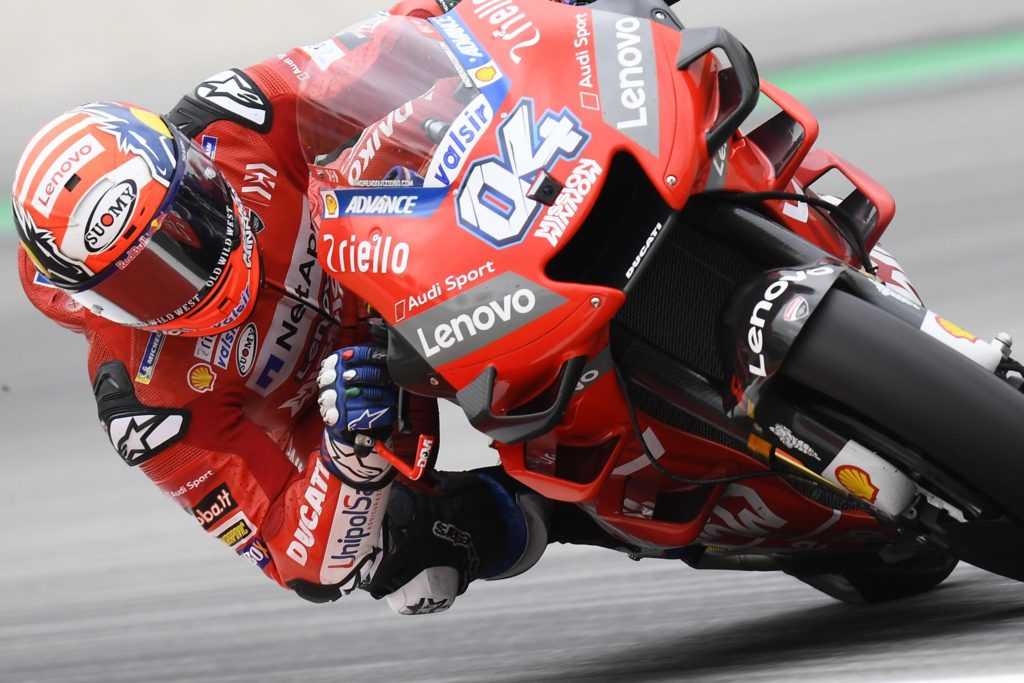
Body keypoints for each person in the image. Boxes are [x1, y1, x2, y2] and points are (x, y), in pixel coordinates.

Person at [10, 0, 555, 615]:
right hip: (363, 399)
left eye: (187, 222)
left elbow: (388, 47)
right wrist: (348, 461)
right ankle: (555, 511)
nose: (190, 275)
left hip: (418, 251)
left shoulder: (234, 114)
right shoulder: (143, 404)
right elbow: (296, 561)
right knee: (409, 570)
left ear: (194, 164)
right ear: (98, 304)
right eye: (144, 284)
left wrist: (496, 15)